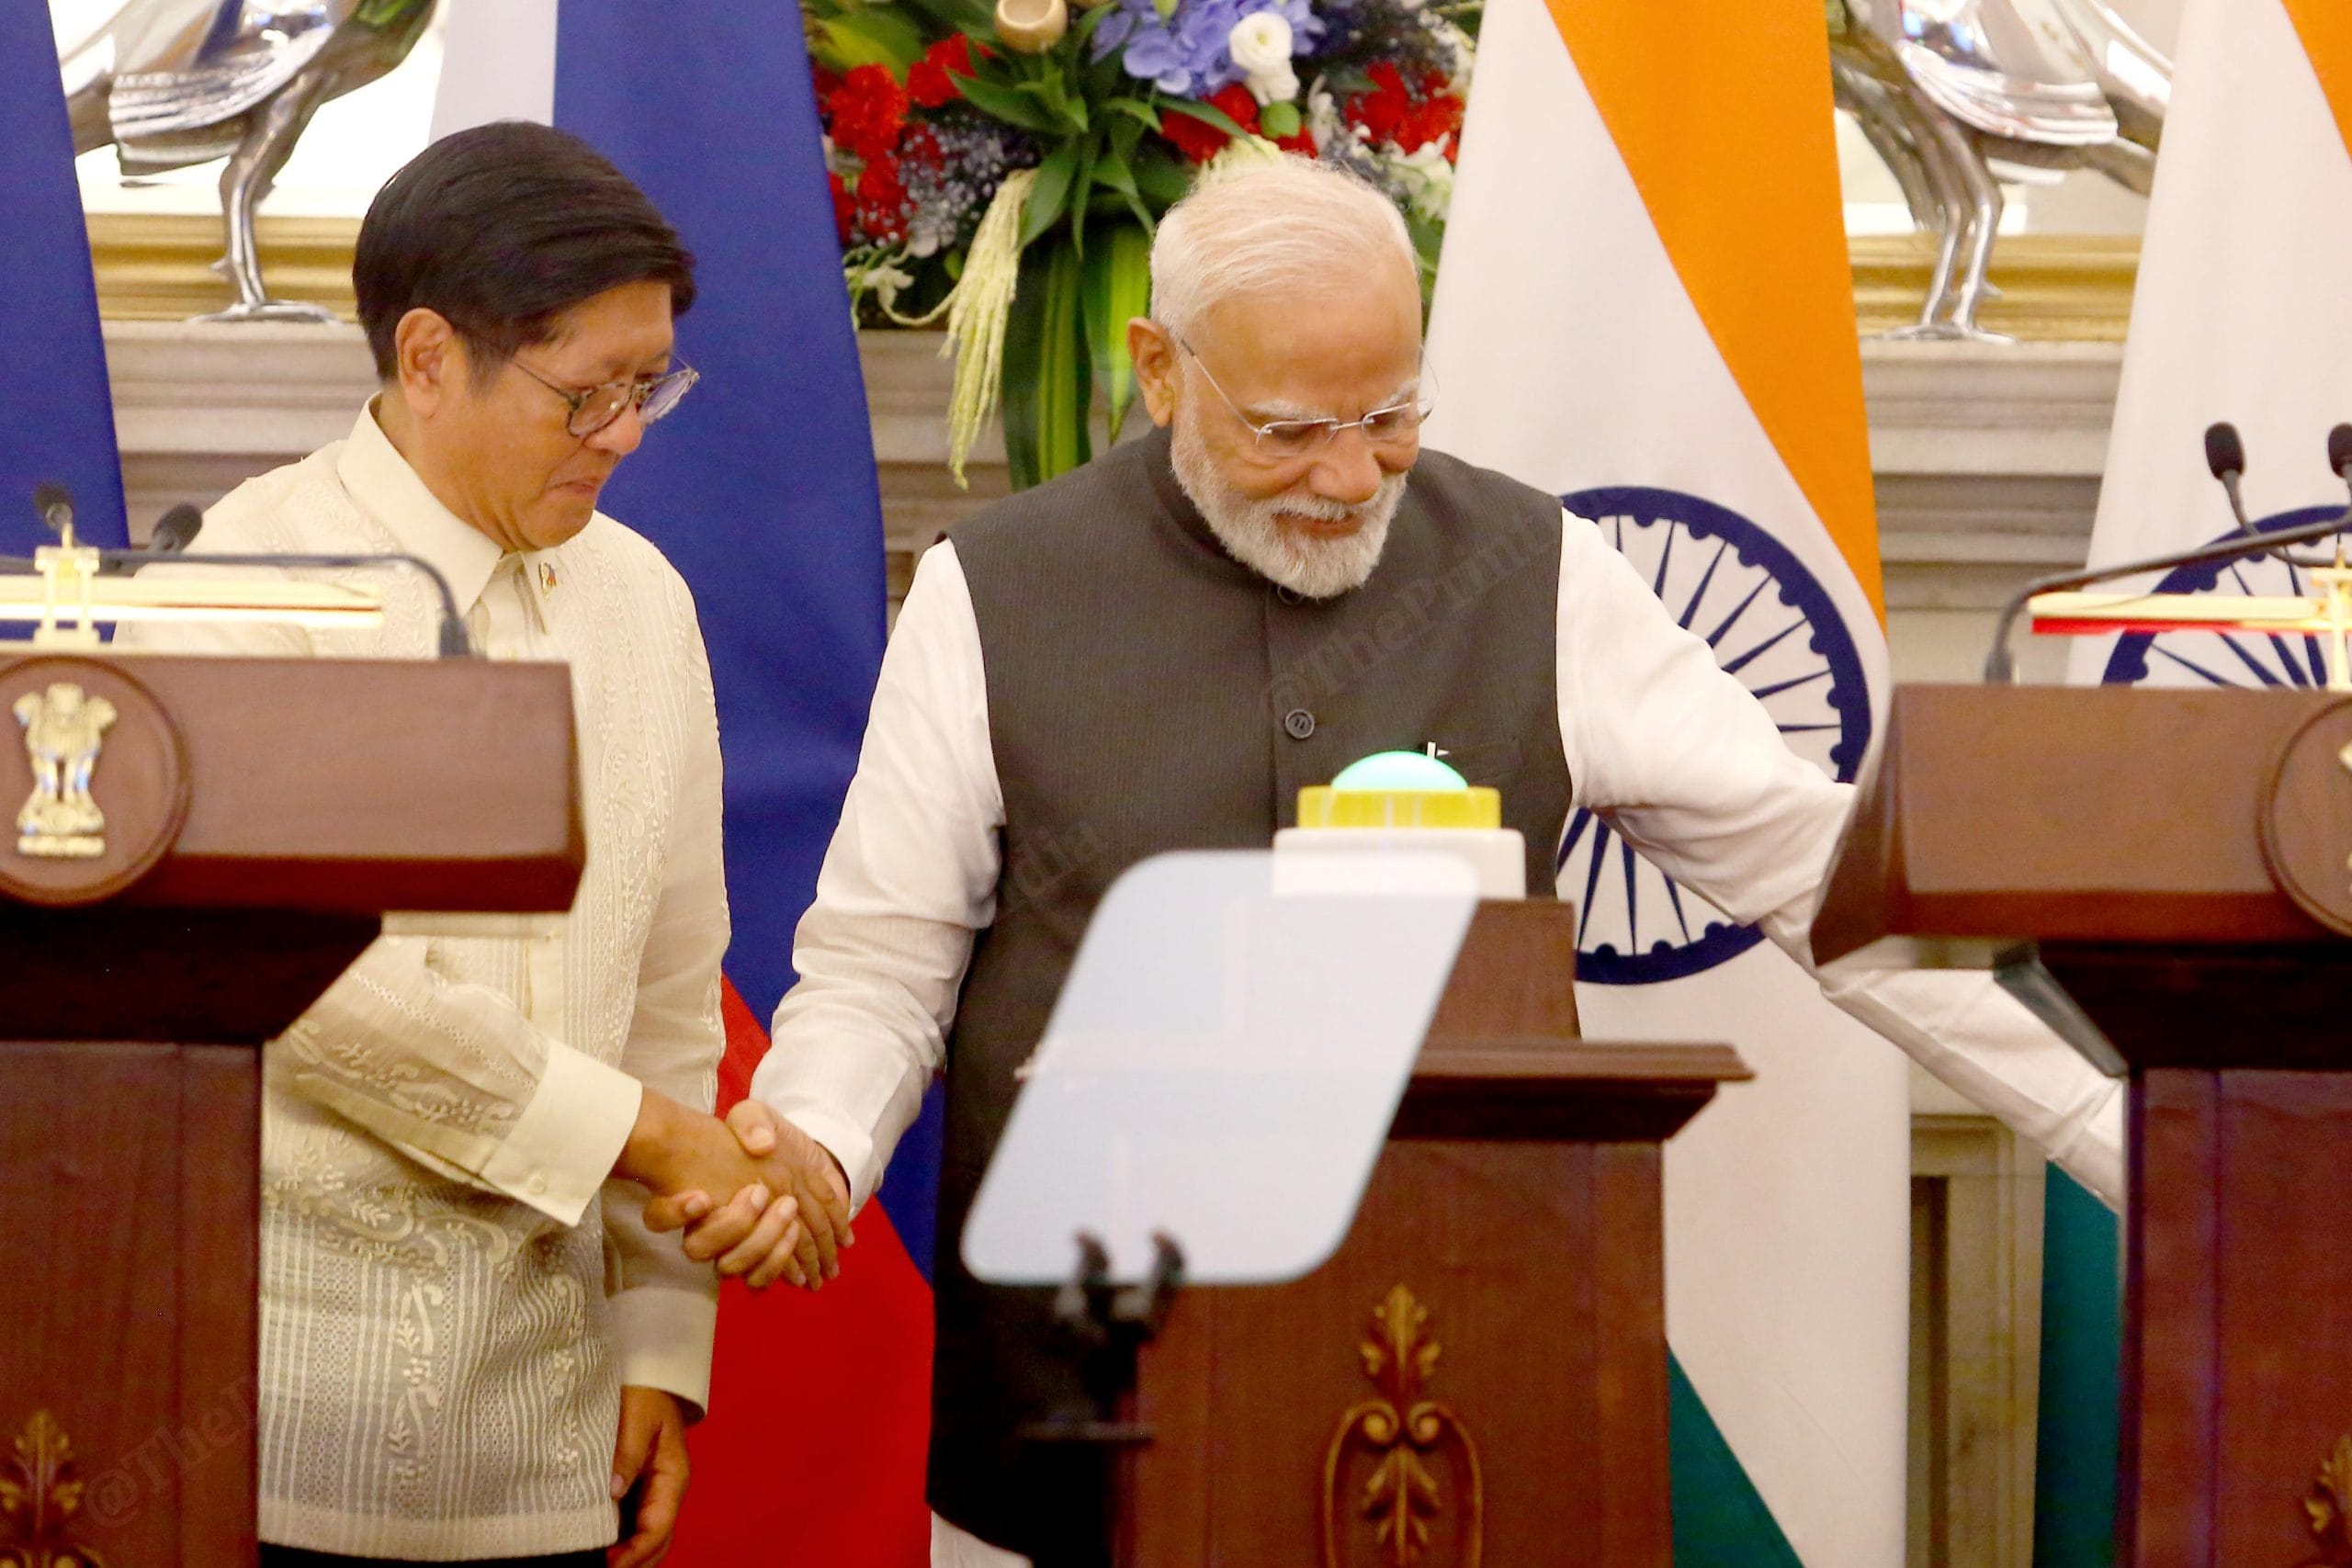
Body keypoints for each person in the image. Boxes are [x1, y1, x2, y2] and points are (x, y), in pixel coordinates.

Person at [679, 155, 2123, 1565]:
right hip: (1074, 1408)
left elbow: (1832, 880)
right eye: (1289, 430)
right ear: (1161, 370)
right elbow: (884, 964)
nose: (1349, 474)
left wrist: (2127, 1134)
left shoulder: (1538, 570)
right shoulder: (990, 592)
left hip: (1471, 1373)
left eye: (1390, 416)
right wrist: (813, 1142)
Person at [123, 121, 842, 1567]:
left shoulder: (644, 600)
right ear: (431, 358)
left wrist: (660, 1337)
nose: (626, 434)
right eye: (588, 394)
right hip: (271, 1431)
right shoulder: (243, 587)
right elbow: (313, 987)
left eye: (650, 385)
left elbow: (671, 990)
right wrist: (663, 1145)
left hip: (554, 1440)